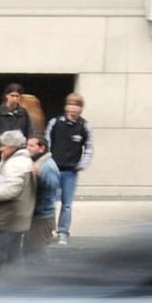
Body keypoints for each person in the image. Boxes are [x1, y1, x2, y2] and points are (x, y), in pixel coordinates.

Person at [0, 130, 35, 273]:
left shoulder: (15, 164)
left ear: (13, 146)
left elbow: (11, 190)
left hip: (8, 219)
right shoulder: (24, 161)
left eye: (3, 145)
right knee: (13, 256)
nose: (0, 149)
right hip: (19, 218)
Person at [45, 93, 93, 244]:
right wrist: (47, 162)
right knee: (49, 202)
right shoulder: (55, 123)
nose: (73, 108)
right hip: (53, 169)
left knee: (66, 205)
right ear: (66, 107)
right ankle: (46, 232)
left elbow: (89, 148)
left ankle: (63, 232)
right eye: (71, 105)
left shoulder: (84, 126)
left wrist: (82, 165)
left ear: (81, 109)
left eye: (77, 105)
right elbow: (46, 142)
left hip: (70, 172)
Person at [26, 135, 61, 262]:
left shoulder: (47, 166)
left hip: (42, 217)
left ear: (42, 148)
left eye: (31, 145)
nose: (27, 148)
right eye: (27, 145)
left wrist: (39, 176)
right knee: (32, 252)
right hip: (37, 216)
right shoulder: (39, 163)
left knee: (37, 254)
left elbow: (52, 187)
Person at [0, 83, 31, 152]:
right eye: (12, 95)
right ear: (6, 95)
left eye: (17, 96)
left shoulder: (24, 114)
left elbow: (30, 133)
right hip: (0, 154)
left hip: (19, 153)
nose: (15, 98)